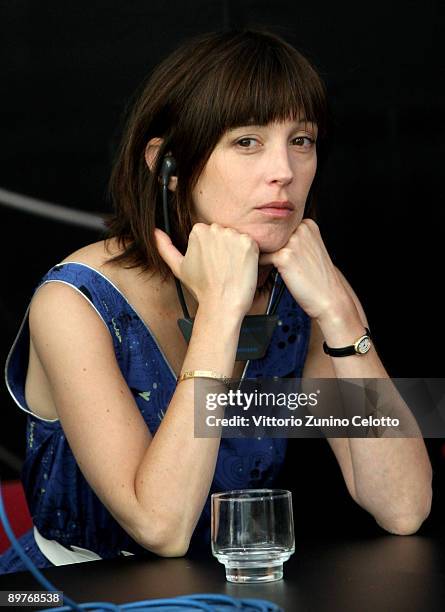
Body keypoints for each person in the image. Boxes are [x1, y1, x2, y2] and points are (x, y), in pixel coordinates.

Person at [1, 29, 432, 574]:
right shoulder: (73, 301)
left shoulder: (302, 288)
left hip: (232, 589)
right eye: (247, 141)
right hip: (68, 593)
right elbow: (161, 526)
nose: (284, 170)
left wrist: (341, 316)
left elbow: (404, 508)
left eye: (301, 140)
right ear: (167, 166)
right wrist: (221, 312)